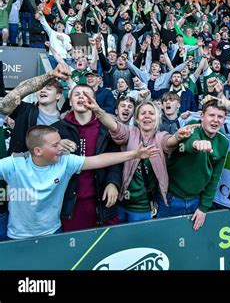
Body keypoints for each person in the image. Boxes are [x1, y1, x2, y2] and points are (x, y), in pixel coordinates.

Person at [0, 124, 159, 240]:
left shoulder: (65, 162)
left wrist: (135, 154)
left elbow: (98, 160)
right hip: (17, 236)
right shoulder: (14, 164)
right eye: (56, 145)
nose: (61, 148)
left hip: (53, 232)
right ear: (38, 151)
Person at [83, 96, 198, 223]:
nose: (147, 116)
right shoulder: (130, 132)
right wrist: (98, 111)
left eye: (151, 113)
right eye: (143, 113)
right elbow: (115, 127)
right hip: (121, 204)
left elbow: (169, 142)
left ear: (157, 118)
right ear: (137, 119)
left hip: (144, 208)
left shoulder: (161, 137)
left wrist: (177, 136)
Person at [52, 85, 123, 231]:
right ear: (70, 102)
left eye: (86, 94)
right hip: (70, 203)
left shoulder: (106, 128)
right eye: (76, 94)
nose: (81, 97)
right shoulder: (56, 129)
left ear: (94, 102)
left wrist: (113, 183)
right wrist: (55, 145)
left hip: (102, 201)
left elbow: (116, 160)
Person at [156, 100, 229, 231]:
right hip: (171, 197)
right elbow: (190, 141)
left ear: (224, 119)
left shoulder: (223, 142)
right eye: (211, 115)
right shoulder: (191, 127)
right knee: (164, 236)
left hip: (196, 200)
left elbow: (215, 178)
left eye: (220, 117)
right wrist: (197, 144)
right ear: (202, 116)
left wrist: (204, 207)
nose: (215, 120)